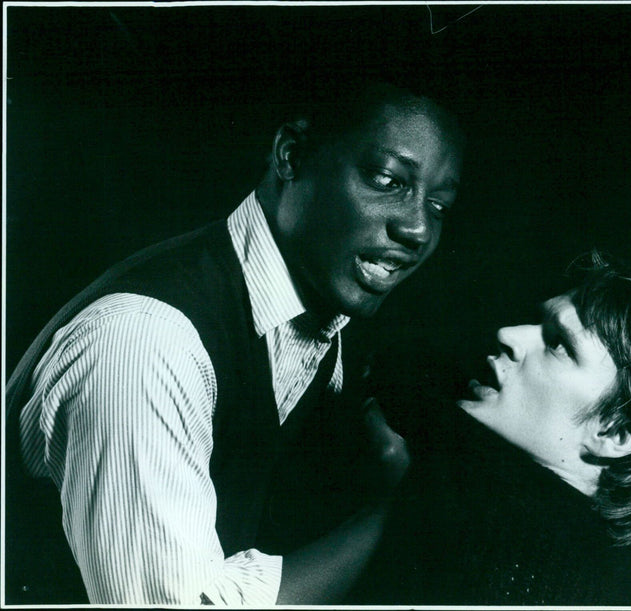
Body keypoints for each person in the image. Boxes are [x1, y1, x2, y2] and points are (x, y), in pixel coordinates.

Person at [4, 79, 464, 605]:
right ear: (291, 156)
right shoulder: (147, 346)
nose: (419, 230)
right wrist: (401, 510)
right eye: (387, 180)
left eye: (441, 206)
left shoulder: (322, 326)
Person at [347, 251, 631, 606]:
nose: (509, 336)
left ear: (615, 434)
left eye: (559, 345)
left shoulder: (498, 540)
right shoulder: (574, 557)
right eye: (538, 323)